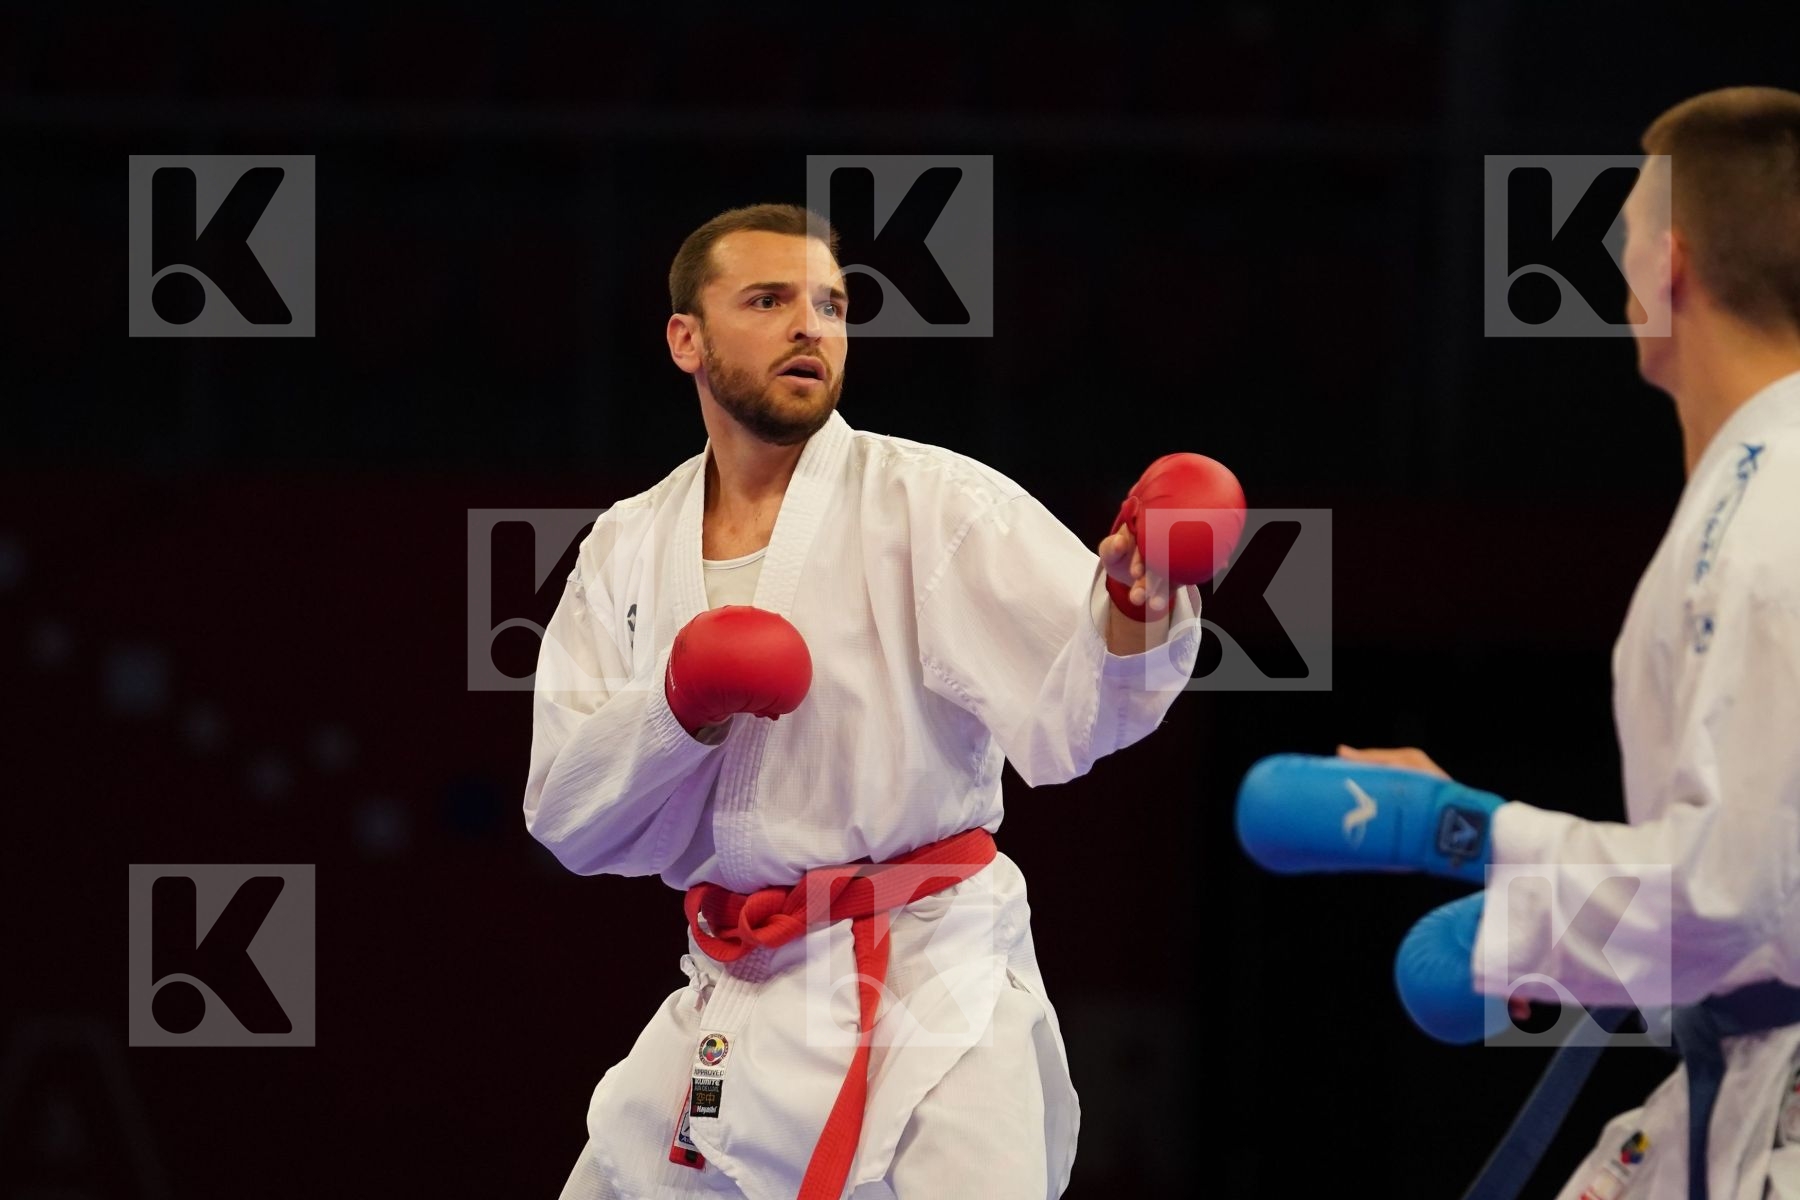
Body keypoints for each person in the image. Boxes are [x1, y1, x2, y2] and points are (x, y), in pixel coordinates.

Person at [524, 202, 1242, 1199]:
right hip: (738, 988)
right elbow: (568, 817)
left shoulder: (933, 506)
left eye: (831, 304)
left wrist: (1134, 601)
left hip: (924, 989)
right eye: (769, 300)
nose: (810, 326)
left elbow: (1076, 708)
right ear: (685, 339)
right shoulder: (624, 547)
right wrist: (677, 709)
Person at [1236, 87, 1800, 1199]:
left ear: (1669, 268)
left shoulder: (1773, 512)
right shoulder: (1754, 488)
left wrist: (1460, 836)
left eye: (1628, 236)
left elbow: (1742, 894)